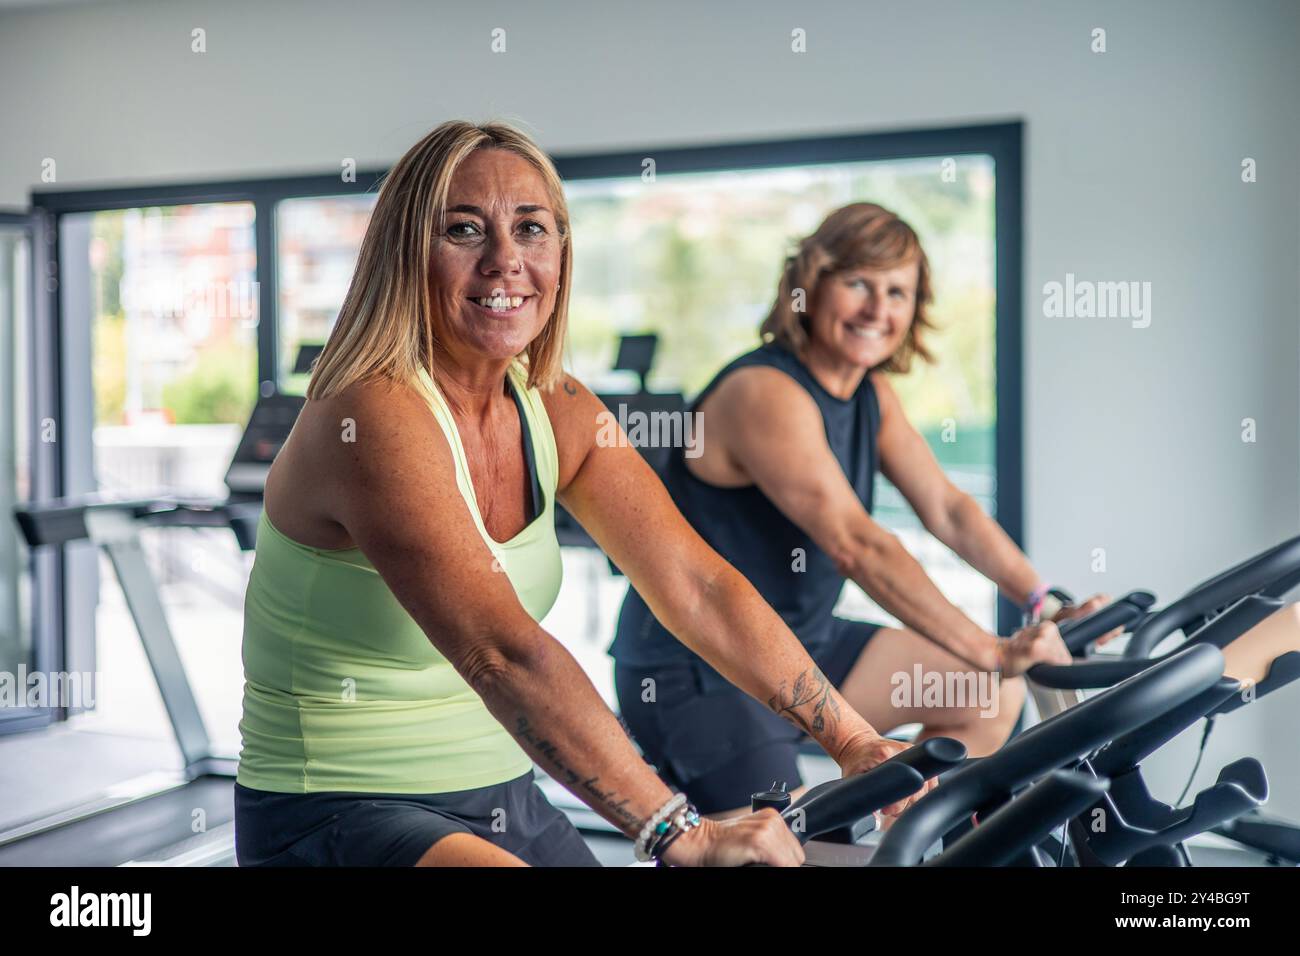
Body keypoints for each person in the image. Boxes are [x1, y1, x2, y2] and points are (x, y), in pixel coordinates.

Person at [233, 122, 929, 868]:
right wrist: (678, 832)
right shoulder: (369, 412)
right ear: (406, 253)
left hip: (500, 791)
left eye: (531, 229)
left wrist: (854, 741)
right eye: (464, 230)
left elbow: (695, 584)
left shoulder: (554, 403)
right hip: (338, 808)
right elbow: (503, 652)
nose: (506, 261)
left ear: (561, 254)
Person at [612, 202, 1103, 817]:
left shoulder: (870, 393)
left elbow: (948, 509)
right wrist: (993, 648)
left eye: (898, 291)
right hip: (700, 665)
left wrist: (1041, 600)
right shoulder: (763, 392)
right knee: (779, 843)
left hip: (803, 647)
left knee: (985, 695)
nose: (878, 309)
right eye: (858, 283)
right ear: (810, 288)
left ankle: (913, 835)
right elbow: (856, 543)